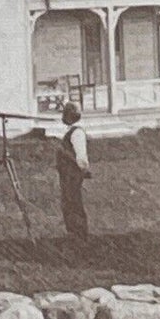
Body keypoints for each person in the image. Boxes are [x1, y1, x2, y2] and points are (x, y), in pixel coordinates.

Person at [56, 102, 91, 239]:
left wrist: (83, 168)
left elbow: (81, 156)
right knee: (68, 201)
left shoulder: (77, 133)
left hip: (72, 173)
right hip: (67, 173)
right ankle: (73, 231)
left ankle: (79, 232)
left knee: (73, 201)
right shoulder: (71, 132)